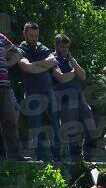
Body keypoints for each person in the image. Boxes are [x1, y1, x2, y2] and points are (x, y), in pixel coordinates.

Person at [17, 22, 61, 161]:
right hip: (33, 94)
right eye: (31, 35)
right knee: (36, 127)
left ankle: (57, 157)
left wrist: (35, 65)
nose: (34, 38)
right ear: (24, 34)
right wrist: (44, 65)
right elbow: (27, 67)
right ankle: (39, 158)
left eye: (36, 35)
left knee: (55, 125)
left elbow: (53, 60)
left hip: (49, 92)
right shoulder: (20, 49)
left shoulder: (42, 46)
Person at [52, 34, 99, 161]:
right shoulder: (52, 59)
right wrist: (73, 73)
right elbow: (61, 77)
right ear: (56, 46)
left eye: (67, 46)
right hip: (65, 99)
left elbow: (83, 76)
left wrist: (73, 62)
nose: (64, 49)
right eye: (62, 46)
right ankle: (75, 159)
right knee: (71, 131)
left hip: (79, 97)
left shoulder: (71, 59)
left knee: (91, 126)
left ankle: (89, 155)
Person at [0, 30, 25, 159]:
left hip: (5, 85)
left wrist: (6, 63)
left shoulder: (2, 38)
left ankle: (15, 156)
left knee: (10, 120)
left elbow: (18, 53)